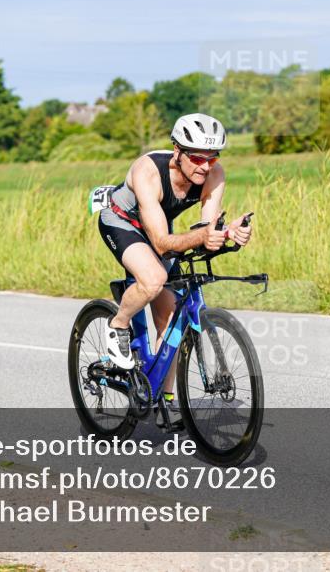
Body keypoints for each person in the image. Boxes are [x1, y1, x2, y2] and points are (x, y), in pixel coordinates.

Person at [96, 113, 252, 426]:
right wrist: (204, 235)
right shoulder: (148, 171)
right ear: (177, 151)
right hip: (122, 222)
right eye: (197, 158)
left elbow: (204, 228)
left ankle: (163, 400)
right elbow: (161, 242)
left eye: (212, 158)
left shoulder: (214, 173)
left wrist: (227, 234)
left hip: (158, 224)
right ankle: (118, 324)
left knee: (171, 318)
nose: (205, 166)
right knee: (154, 279)